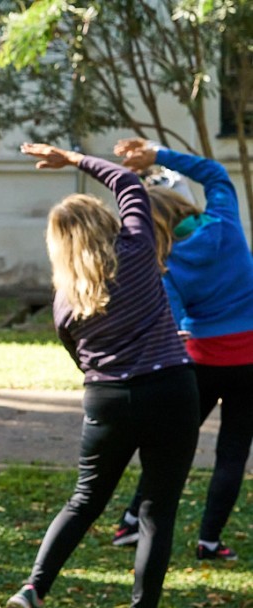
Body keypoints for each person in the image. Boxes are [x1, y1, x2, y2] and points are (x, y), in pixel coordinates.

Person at [6, 143, 200, 608]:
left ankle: (33, 589)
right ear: (105, 224)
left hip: (107, 400)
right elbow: (130, 184)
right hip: (170, 389)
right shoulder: (136, 250)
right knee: (156, 511)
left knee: (84, 500)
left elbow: (82, 361)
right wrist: (72, 159)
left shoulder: (63, 303)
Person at [109, 138, 253, 561]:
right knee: (233, 451)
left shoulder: (167, 265)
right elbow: (214, 173)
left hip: (201, 362)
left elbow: (170, 323)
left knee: (172, 444)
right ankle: (209, 541)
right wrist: (157, 155)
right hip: (249, 361)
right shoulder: (225, 223)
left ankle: (132, 521)